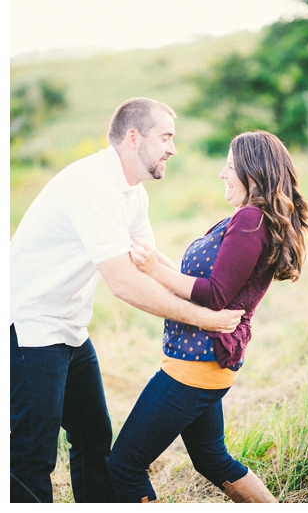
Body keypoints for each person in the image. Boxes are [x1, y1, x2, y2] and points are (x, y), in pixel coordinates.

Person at [10, 97, 245, 503]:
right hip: (28, 327)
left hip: (68, 327)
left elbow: (151, 266)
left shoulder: (132, 193)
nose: (173, 148)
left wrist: (209, 299)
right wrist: (205, 320)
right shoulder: (93, 186)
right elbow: (124, 283)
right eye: (166, 137)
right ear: (133, 137)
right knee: (32, 454)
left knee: (94, 435)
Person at [106, 130, 308, 503]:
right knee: (211, 458)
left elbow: (216, 294)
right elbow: (202, 280)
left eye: (230, 167)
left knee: (124, 464)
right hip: (203, 361)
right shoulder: (248, 218)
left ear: (253, 172)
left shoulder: (251, 220)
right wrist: (154, 258)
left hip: (195, 366)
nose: (222, 174)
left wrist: (154, 269)